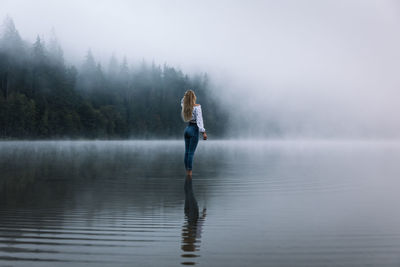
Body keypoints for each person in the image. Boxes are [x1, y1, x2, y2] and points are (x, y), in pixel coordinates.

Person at [181, 90, 207, 177]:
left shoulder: (185, 106)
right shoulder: (197, 107)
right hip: (194, 129)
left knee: (187, 152)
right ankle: (189, 173)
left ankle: (187, 172)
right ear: (194, 97)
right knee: (191, 153)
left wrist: (186, 96)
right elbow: (199, 120)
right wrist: (203, 132)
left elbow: (181, 101)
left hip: (187, 129)